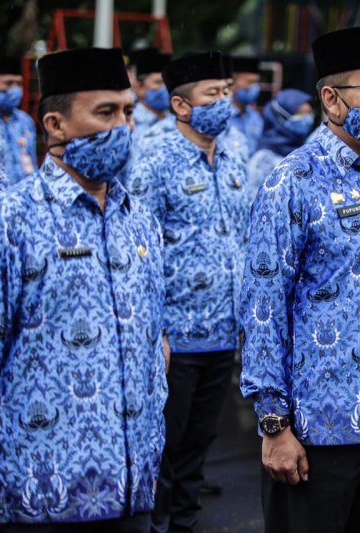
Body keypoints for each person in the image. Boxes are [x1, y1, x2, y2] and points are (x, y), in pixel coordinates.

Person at [240, 25, 360, 532]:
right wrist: (274, 425)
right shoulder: (292, 180)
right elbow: (262, 307)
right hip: (319, 430)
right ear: (332, 99)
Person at [0, 47, 167, 532]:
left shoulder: (140, 220)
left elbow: (154, 345)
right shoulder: (12, 219)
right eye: (105, 112)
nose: (123, 127)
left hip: (132, 488)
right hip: (39, 492)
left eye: (129, 112)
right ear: (56, 124)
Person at [127, 51, 248, 533]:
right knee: (165, 446)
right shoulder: (154, 163)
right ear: (180, 105)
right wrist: (155, 331)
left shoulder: (234, 158)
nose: (224, 102)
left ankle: (184, 523)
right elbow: (140, 253)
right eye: (212, 94)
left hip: (223, 332)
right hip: (176, 336)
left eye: (227, 92)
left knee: (199, 444)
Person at [246, 88, 313, 193]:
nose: (307, 119)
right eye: (300, 114)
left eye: (309, 113)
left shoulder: (307, 149)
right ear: (281, 118)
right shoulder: (263, 159)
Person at [0, 57, 37, 183]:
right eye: (8, 83)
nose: (15, 89)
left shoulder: (25, 121)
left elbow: (31, 160)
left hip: (22, 196)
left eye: (19, 84)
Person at [130, 49, 171, 139]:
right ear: (139, 87)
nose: (165, 88)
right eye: (158, 82)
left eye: (168, 82)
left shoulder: (177, 120)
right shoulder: (130, 122)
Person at [229, 56, 265, 154]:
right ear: (232, 82)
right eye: (250, 82)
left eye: (256, 82)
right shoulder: (222, 116)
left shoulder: (255, 117)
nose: (254, 87)